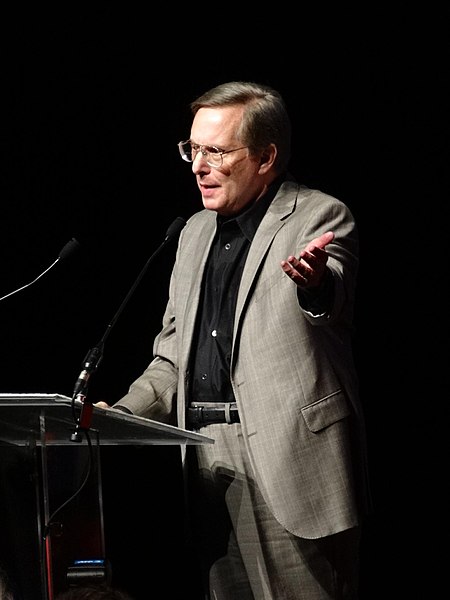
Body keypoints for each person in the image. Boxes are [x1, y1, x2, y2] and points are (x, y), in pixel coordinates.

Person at [96, 80, 372, 599]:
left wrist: (315, 284)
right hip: (205, 457)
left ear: (266, 156)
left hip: (288, 455)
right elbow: (172, 358)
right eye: (192, 149)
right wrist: (117, 416)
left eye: (216, 152)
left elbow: (332, 299)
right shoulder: (194, 233)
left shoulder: (318, 215)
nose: (198, 166)